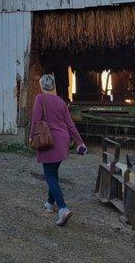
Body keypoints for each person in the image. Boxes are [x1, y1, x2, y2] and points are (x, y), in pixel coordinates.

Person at [29, 74, 87, 226]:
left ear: (42, 86)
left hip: (49, 140)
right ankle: (49, 204)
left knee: (49, 175)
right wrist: (79, 142)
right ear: (53, 86)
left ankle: (63, 208)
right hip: (63, 141)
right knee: (53, 173)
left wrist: (31, 137)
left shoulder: (40, 99)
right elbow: (70, 124)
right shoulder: (61, 101)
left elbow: (36, 120)